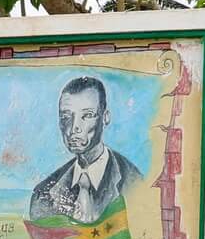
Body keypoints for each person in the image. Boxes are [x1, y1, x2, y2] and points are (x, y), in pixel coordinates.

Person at [28, 76, 142, 225]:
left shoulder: (135, 184)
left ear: (105, 118)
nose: (74, 127)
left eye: (87, 115)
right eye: (66, 116)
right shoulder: (42, 195)